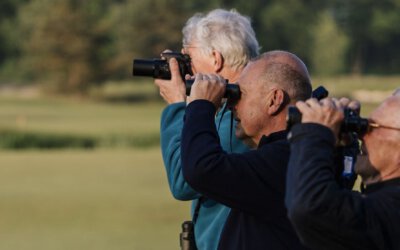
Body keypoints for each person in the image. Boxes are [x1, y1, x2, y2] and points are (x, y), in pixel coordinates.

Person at [181, 50, 312, 249]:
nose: (232, 104)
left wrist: (201, 105)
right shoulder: (297, 152)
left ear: (274, 99)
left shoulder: (287, 159)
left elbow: (202, 169)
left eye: (239, 94)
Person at [154, 9, 260, 250]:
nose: (186, 69)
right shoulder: (242, 107)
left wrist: (177, 106)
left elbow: (183, 182)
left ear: (215, 59)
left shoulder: (241, 118)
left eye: (188, 58)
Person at [285, 95, 400, 250]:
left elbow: (310, 207)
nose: (361, 135)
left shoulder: (392, 211)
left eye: (373, 127)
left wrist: (314, 133)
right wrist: (339, 148)